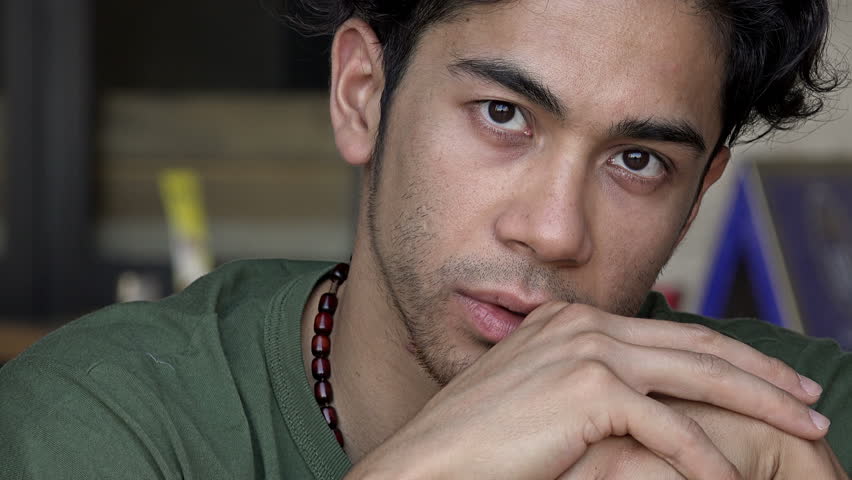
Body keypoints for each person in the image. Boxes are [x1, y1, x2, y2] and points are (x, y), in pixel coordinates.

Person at [1, 0, 850, 478]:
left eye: (637, 160)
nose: (552, 231)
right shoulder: (102, 426)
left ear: (699, 194)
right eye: (503, 115)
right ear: (363, 95)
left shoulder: (809, 422)